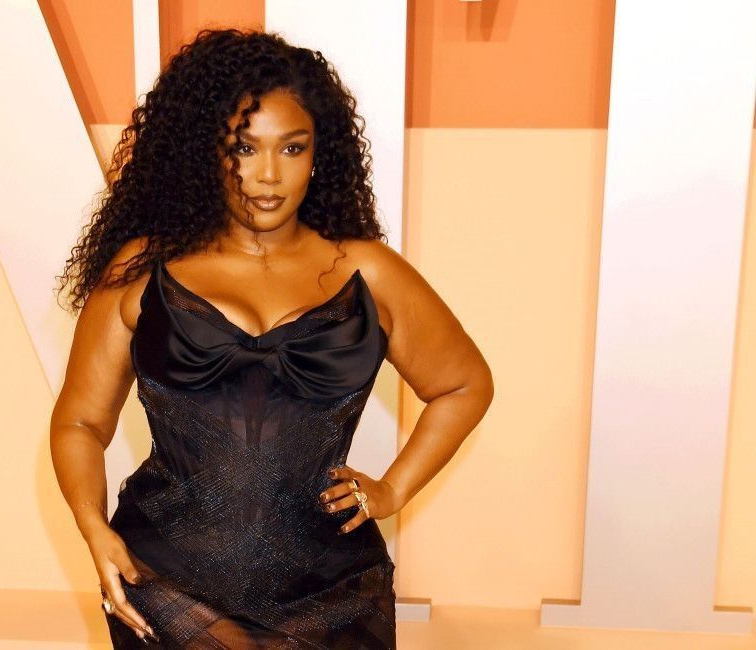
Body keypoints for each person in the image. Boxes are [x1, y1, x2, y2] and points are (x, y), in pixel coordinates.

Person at [50, 28, 493, 649]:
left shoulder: (369, 273)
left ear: (319, 155)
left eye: (291, 148)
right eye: (244, 147)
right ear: (205, 150)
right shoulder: (142, 269)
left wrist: (393, 489)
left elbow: (464, 385)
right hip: (167, 581)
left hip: (332, 588)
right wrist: (93, 527)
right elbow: (80, 422)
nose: (267, 174)